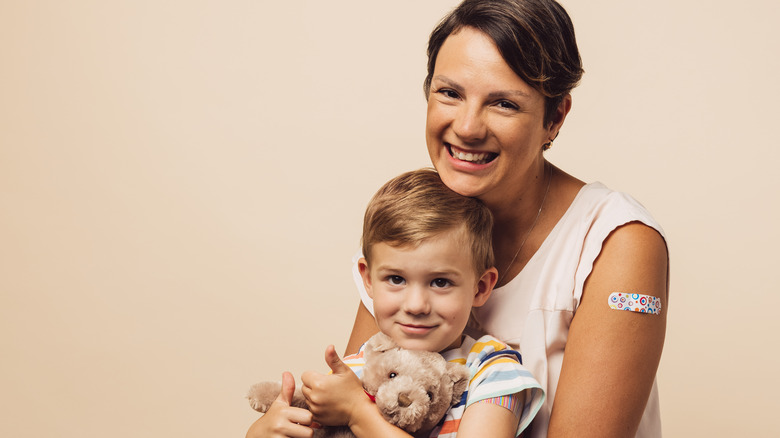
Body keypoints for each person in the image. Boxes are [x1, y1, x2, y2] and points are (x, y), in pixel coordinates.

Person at [301, 1, 669, 437]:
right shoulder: (413, 221)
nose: (469, 127)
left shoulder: (618, 243)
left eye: (504, 104)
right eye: (450, 93)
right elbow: (353, 408)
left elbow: (360, 418)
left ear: (555, 117)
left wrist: (357, 417)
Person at [247, 169, 545, 438]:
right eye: (396, 279)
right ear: (368, 280)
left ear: (480, 287)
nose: (416, 305)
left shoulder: (492, 371)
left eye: (440, 282)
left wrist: (357, 410)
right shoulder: (359, 368)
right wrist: (262, 433)